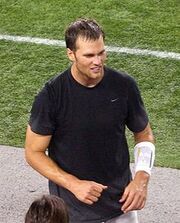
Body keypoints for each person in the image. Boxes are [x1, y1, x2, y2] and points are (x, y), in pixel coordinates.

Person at [25, 18, 155, 223]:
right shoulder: (51, 95)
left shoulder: (124, 85)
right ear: (71, 54)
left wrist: (141, 178)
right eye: (89, 55)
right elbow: (33, 152)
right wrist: (73, 184)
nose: (98, 61)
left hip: (121, 205)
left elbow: (144, 134)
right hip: (71, 210)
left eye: (101, 52)